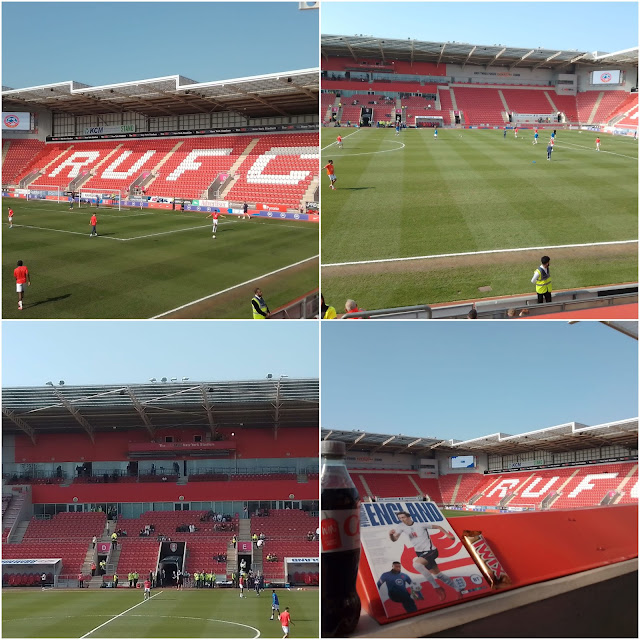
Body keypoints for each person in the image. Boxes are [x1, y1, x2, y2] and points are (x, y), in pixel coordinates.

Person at [389, 511, 462, 602]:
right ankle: (458, 589)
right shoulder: (401, 527)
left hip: (431, 551)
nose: (401, 519)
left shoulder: (421, 525)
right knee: (439, 575)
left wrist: (448, 535)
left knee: (417, 565)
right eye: (399, 518)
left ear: (408, 517)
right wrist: (390, 535)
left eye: (403, 517)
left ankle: (437, 588)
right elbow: (394, 539)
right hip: (420, 553)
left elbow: (438, 527)